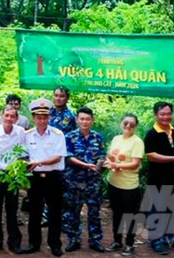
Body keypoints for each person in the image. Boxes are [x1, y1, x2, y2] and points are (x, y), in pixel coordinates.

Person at [22, 98, 66, 257]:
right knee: (34, 211)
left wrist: (38, 162)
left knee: (55, 212)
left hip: (53, 177)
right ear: (33, 118)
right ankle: (34, 243)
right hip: (34, 178)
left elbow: (58, 157)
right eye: (39, 117)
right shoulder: (27, 135)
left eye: (45, 117)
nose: (42, 120)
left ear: (49, 118)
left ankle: (55, 244)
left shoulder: (57, 134)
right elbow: (23, 155)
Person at [144, 101, 174, 255]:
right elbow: (151, 156)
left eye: (168, 113)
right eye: (162, 114)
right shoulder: (151, 134)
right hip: (157, 179)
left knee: (173, 210)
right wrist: (173, 158)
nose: (166, 117)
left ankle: (169, 238)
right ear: (155, 115)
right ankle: (155, 240)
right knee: (157, 210)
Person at [62, 107, 106, 253]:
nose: (85, 122)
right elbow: (68, 157)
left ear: (92, 120)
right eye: (82, 119)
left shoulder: (98, 137)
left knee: (94, 212)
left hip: (93, 182)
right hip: (73, 181)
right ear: (77, 120)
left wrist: (101, 163)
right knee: (73, 212)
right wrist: (86, 165)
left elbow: (102, 155)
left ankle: (95, 240)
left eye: (87, 119)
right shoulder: (70, 136)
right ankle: (74, 239)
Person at [0, 105, 25, 254]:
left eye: (12, 116)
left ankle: (14, 242)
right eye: (6, 115)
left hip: (14, 175)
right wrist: (5, 168)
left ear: (16, 118)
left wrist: (15, 168)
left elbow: (22, 152)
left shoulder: (20, 132)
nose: (9, 119)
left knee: (12, 208)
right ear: (2, 116)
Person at [104, 113, 145, 256]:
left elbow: (135, 164)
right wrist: (109, 164)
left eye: (132, 124)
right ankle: (117, 241)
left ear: (136, 126)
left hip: (129, 186)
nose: (128, 126)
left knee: (130, 216)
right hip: (114, 182)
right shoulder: (116, 139)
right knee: (117, 214)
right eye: (126, 123)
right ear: (121, 123)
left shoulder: (137, 142)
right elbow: (110, 157)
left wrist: (115, 164)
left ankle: (129, 244)